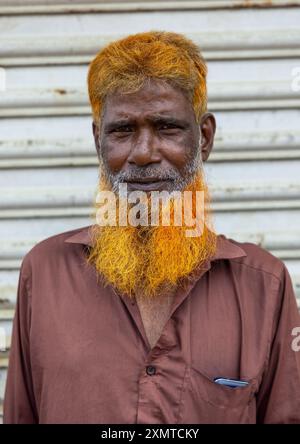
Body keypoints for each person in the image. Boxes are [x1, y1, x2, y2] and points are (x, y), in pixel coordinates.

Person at [4, 31, 300, 424]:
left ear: (205, 138)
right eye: (122, 131)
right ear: (98, 141)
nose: (143, 153)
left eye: (167, 127)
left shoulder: (265, 285)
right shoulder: (43, 272)